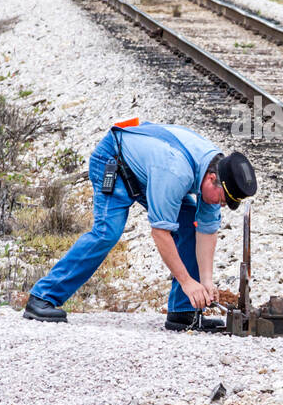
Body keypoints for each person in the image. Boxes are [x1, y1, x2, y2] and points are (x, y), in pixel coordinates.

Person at [22, 119, 257, 330]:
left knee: (189, 224)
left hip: (148, 170)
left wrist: (205, 283)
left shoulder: (217, 169)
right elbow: (160, 232)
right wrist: (188, 283)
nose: (222, 205)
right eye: (223, 200)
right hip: (114, 160)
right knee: (107, 233)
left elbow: (206, 230)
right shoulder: (175, 173)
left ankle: (184, 313)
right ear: (212, 180)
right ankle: (43, 297)